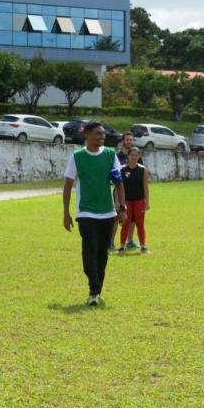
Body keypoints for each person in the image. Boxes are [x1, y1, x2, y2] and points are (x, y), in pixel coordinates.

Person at [63, 120, 126, 306]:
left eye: (103, 134)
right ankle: (94, 288)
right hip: (86, 213)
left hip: (108, 213)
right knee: (89, 251)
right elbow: (67, 186)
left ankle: (96, 292)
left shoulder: (110, 155)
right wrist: (66, 213)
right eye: (98, 134)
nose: (102, 137)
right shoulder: (77, 157)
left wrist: (122, 208)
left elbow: (119, 183)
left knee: (102, 254)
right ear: (87, 135)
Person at [118, 145, 151, 253]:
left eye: (136, 155)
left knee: (140, 224)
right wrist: (119, 202)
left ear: (139, 156)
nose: (134, 157)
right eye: (132, 155)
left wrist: (147, 202)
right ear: (128, 156)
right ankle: (122, 246)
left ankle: (143, 246)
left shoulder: (143, 170)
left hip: (139, 200)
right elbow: (118, 187)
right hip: (126, 201)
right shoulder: (122, 169)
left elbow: (146, 187)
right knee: (125, 223)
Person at [114, 130, 139, 249]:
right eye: (127, 139)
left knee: (133, 218)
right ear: (123, 141)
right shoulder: (117, 156)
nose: (129, 141)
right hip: (119, 191)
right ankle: (111, 241)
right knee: (116, 215)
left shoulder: (135, 154)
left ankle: (130, 240)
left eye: (131, 139)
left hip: (133, 192)